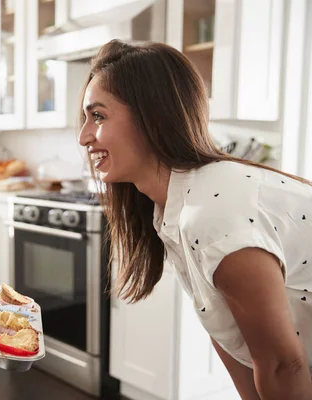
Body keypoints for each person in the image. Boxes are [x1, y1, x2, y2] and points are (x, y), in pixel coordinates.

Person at [78, 39, 312, 399]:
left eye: (98, 116)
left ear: (151, 116)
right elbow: (230, 336)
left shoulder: (213, 212)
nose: (84, 137)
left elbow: (284, 365)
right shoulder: (171, 210)